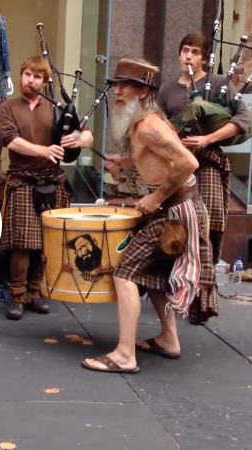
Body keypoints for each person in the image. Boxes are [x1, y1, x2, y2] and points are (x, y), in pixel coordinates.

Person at [82, 58, 216, 374]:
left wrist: (155, 196)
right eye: (116, 85)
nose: (118, 91)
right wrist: (126, 163)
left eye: (126, 86)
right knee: (153, 275)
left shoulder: (149, 125)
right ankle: (169, 339)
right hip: (173, 207)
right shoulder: (144, 123)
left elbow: (187, 163)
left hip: (175, 209)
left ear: (143, 92)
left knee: (125, 273)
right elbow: (160, 158)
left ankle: (124, 355)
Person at [156, 31, 250, 324]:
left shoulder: (221, 85)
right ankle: (174, 292)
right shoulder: (167, 91)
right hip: (175, 167)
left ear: (204, 57)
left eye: (195, 52)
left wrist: (208, 138)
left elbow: (242, 120)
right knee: (176, 230)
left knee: (206, 230)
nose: (189, 57)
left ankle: (202, 302)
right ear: (178, 54)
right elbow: (157, 129)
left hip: (207, 165)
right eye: (185, 50)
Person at [0, 55, 93, 320]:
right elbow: (10, 140)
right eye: (27, 74)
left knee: (43, 244)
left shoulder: (58, 109)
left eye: (37, 76)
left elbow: (88, 134)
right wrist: (43, 150)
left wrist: (78, 139)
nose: (31, 80)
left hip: (53, 181)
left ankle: (35, 293)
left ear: (45, 81)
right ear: (20, 76)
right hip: (23, 181)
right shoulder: (8, 106)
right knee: (22, 244)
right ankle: (17, 296)